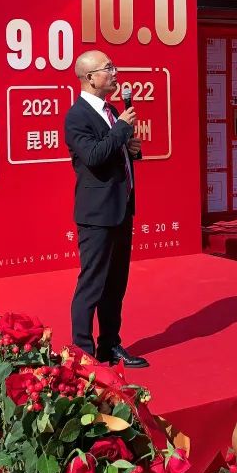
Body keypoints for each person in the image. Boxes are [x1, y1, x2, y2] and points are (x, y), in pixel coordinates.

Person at [64, 49, 147, 367]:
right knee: (92, 285)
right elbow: (94, 156)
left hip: (121, 208)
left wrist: (130, 150)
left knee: (115, 284)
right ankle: (83, 356)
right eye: (108, 68)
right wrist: (122, 130)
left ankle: (110, 345)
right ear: (90, 77)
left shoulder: (111, 111)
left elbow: (111, 152)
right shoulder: (77, 116)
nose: (115, 73)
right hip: (97, 214)